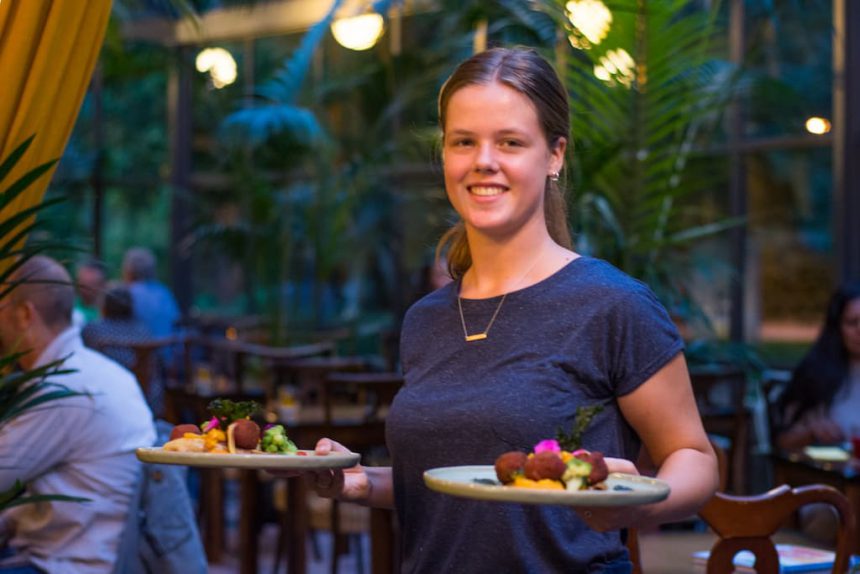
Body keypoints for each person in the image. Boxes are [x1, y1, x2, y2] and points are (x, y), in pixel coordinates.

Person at [286, 47, 718, 572]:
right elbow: (457, 487)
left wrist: (639, 501)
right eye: (463, 141)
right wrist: (357, 482)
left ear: (555, 155)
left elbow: (695, 458)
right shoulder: (425, 319)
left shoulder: (612, 302)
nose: (483, 161)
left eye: (510, 142)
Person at [0, 255, 156, 573]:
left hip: (65, 564)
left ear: (24, 314)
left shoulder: (63, 389)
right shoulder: (102, 373)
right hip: (101, 554)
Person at [774, 283, 860, 450]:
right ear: (837, 327)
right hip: (830, 472)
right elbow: (781, 442)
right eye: (852, 322)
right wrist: (811, 432)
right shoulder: (815, 374)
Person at [82, 282, 164, 416]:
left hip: (108, 404)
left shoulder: (94, 330)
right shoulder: (143, 330)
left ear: (104, 305)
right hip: (149, 401)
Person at [72, 257, 107, 327]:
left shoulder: (111, 310)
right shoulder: (71, 307)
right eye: (82, 283)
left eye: (92, 283)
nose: (85, 289)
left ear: (102, 285)